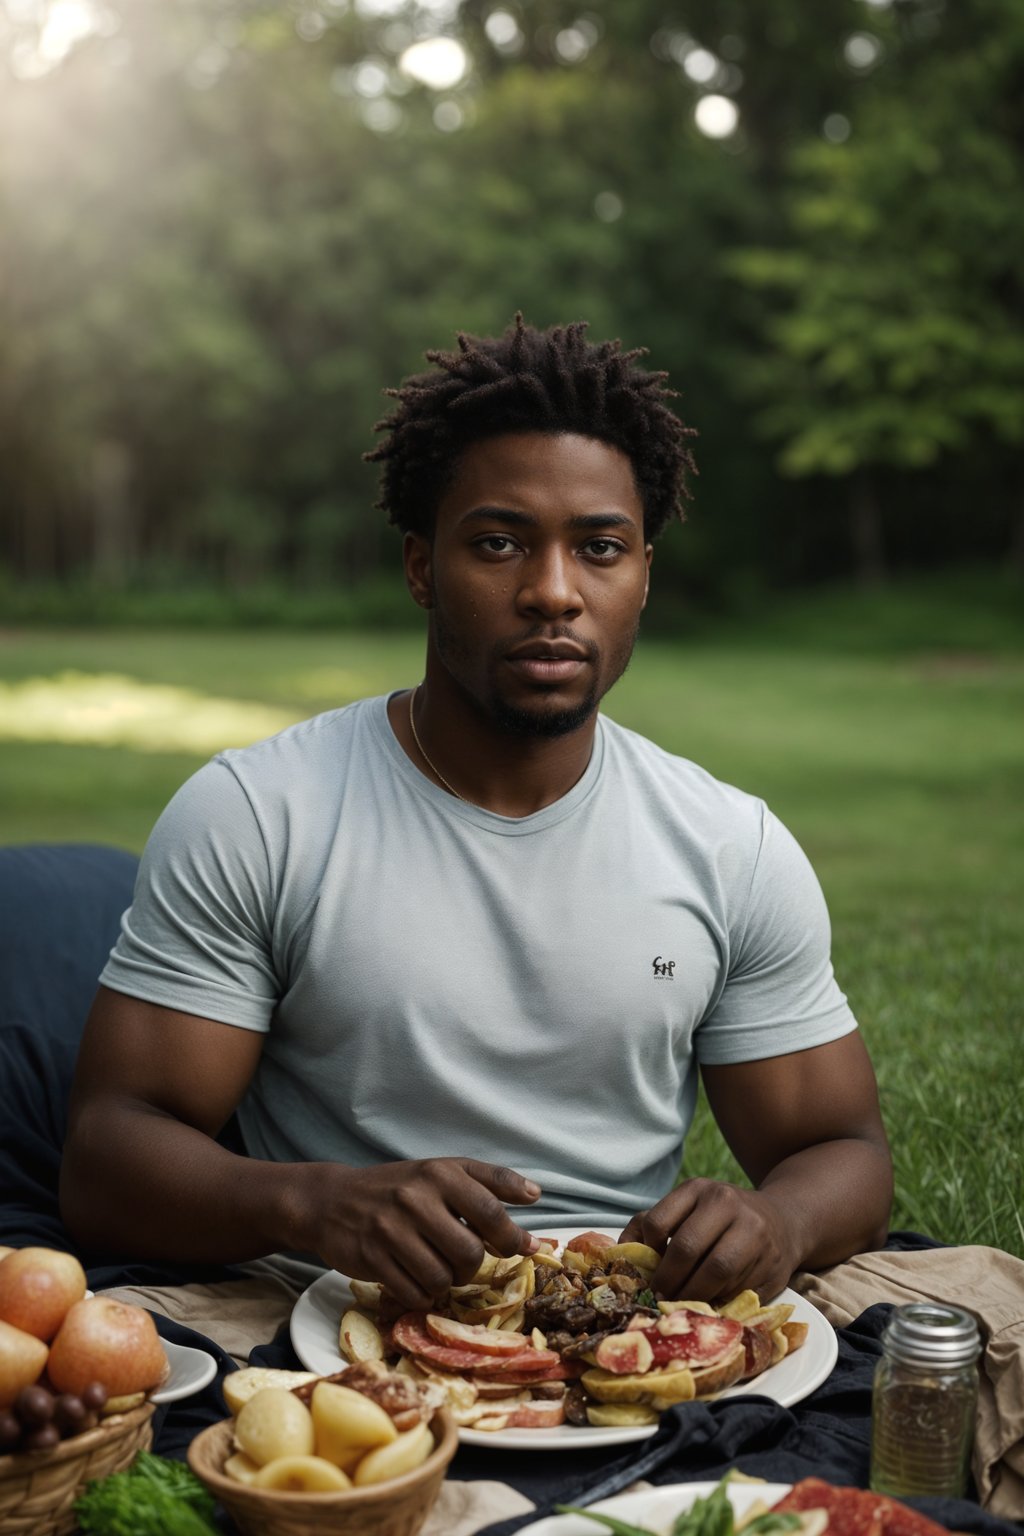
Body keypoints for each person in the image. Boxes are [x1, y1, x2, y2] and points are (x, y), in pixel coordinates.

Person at [60, 317, 893, 1310]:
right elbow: (106, 1160)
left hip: (629, 1327)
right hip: (329, 1325)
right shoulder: (260, 815)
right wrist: (311, 1205)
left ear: (642, 579)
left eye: (599, 549)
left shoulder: (729, 847)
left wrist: (778, 1222)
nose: (552, 592)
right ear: (421, 567)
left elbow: (841, 1151)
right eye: (498, 544)